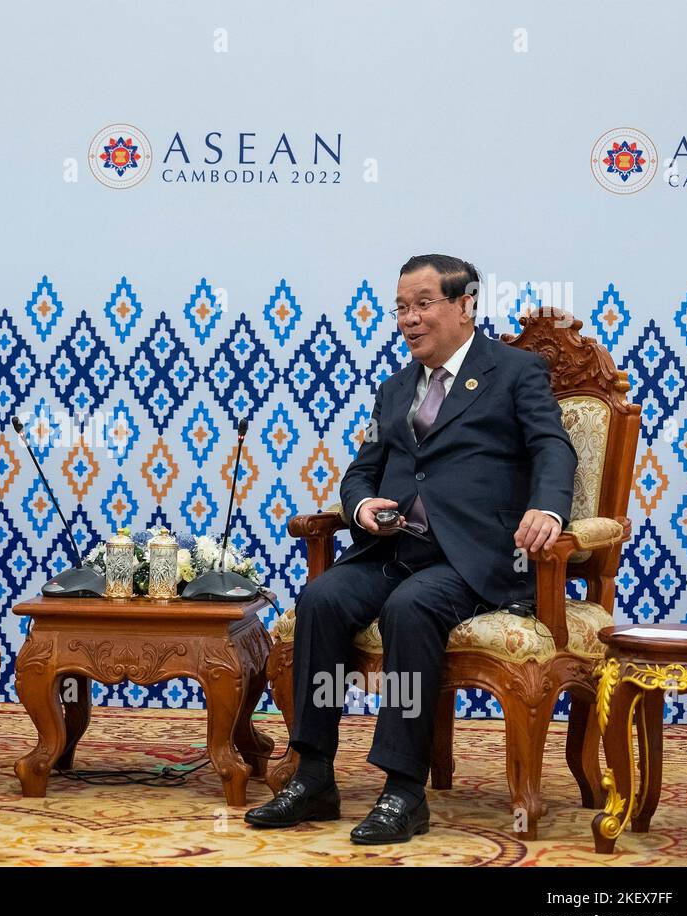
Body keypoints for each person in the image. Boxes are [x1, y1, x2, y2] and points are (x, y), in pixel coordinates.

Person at [245, 254, 577, 843]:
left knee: (411, 606)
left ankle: (402, 790)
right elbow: (361, 471)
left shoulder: (515, 371)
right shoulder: (395, 389)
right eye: (401, 307)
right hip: (394, 550)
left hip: (475, 557)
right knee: (320, 598)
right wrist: (360, 507)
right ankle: (313, 773)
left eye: (423, 304)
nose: (409, 319)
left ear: (464, 304)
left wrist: (547, 508)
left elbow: (554, 447)